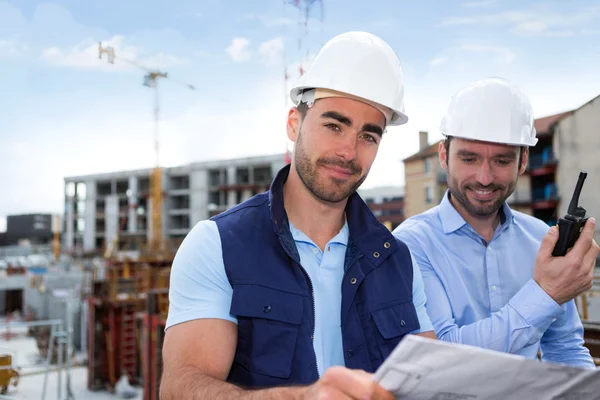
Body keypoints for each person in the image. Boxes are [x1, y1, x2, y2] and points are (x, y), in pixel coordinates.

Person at [160, 31, 436, 399]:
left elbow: (427, 382)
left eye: (368, 136)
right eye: (333, 126)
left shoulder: (398, 259)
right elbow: (182, 388)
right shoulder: (218, 246)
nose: (348, 151)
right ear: (294, 123)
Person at [393, 77, 598, 369]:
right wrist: (545, 294)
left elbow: (565, 349)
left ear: (523, 160)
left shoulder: (542, 238)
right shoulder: (410, 245)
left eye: (501, 161)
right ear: (444, 156)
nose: (485, 177)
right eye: (469, 158)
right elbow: (442, 356)